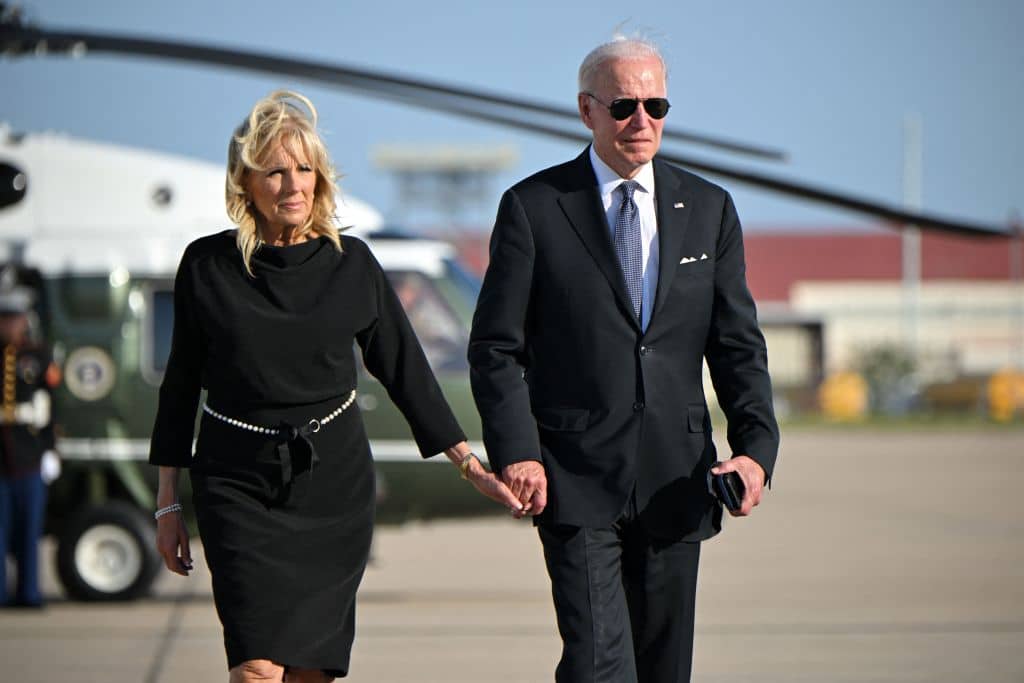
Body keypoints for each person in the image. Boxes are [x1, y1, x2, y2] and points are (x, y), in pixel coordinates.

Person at [149, 90, 521, 683]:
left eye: (304, 169)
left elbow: (406, 372)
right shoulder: (206, 267)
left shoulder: (354, 264)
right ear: (245, 183)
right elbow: (180, 388)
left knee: (311, 673)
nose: (293, 184)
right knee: (255, 666)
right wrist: (168, 502)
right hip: (236, 487)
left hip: (332, 490)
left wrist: (468, 464)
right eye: (274, 171)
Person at [468, 36, 780, 682]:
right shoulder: (533, 209)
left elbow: (737, 345)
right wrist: (518, 450)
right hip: (575, 479)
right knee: (596, 666)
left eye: (656, 104)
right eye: (624, 106)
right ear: (587, 110)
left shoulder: (710, 210)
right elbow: (496, 349)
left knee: (665, 670)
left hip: (676, 480)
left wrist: (755, 448)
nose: (642, 120)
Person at [0, 279, 61, 609]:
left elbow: (51, 407)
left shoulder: (37, 355)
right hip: (2, 457)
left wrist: (51, 449)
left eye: (14, 317)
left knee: (29, 531)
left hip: (29, 454)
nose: (10, 324)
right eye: (4, 318)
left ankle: (29, 593)